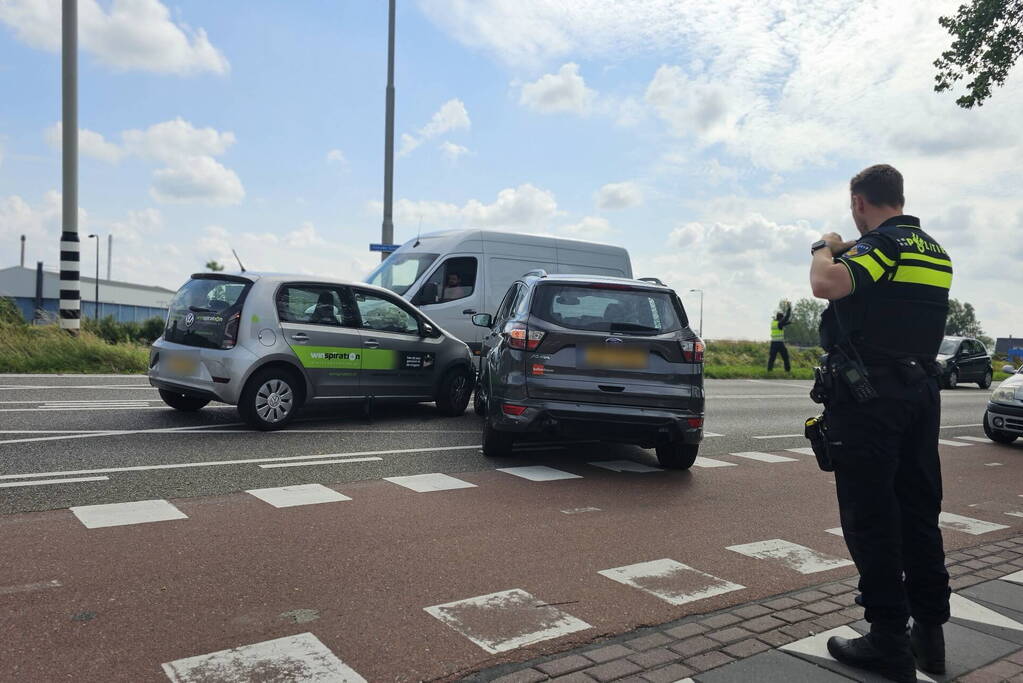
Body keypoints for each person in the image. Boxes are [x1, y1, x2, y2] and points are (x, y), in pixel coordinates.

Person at [808, 164, 952, 683]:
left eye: (854, 209)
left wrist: (822, 246)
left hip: (872, 399)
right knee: (918, 512)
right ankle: (929, 636)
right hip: (919, 394)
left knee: (871, 518)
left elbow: (828, 283)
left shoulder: (884, 246)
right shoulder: (936, 251)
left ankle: (888, 640)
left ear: (861, 203)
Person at [767, 301, 793, 372]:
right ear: (780, 318)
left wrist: (788, 323)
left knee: (772, 358)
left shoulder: (774, 323)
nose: (783, 320)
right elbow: (786, 318)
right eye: (782, 319)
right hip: (779, 343)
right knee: (785, 357)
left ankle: (769, 371)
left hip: (773, 343)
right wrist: (789, 308)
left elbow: (781, 325)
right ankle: (787, 371)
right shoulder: (779, 323)